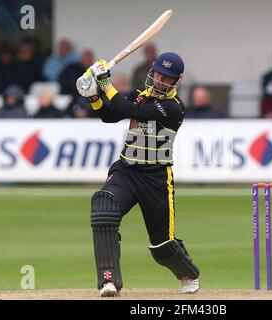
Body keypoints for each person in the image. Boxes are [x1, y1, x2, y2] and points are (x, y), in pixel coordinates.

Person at [76, 52, 200, 297]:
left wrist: (104, 82)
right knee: (104, 211)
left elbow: (127, 107)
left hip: (155, 178)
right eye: (158, 74)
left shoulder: (173, 108)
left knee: (162, 247)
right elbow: (111, 115)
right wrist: (93, 96)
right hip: (126, 170)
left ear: (178, 80)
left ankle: (188, 272)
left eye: (168, 77)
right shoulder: (140, 96)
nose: (161, 80)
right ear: (151, 71)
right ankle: (108, 281)